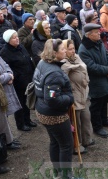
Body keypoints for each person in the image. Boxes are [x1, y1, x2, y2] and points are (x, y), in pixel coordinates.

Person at [33, 39, 74, 179]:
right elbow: (52, 99)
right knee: (66, 145)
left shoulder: (42, 62)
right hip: (54, 116)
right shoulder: (54, 74)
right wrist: (69, 98)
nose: (65, 51)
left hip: (42, 110)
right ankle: (66, 176)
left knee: (55, 142)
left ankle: (58, 173)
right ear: (54, 53)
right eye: (62, 49)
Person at [78, 23, 108, 138]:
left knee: (105, 100)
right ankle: (97, 127)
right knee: (96, 105)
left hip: (105, 78)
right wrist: (107, 70)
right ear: (89, 35)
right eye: (96, 32)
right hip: (96, 81)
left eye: (98, 31)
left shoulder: (98, 42)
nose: (99, 33)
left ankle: (104, 120)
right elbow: (91, 66)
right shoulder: (83, 49)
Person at [61, 39, 94, 154]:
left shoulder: (77, 57)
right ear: (64, 50)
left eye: (73, 48)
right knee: (76, 122)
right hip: (74, 96)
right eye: (69, 49)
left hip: (83, 94)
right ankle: (77, 144)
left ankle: (86, 139)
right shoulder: (63, 63)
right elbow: (63, 75)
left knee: (86, 118)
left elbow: (83, 68)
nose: (73, 51)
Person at [0, 30, 36, 131]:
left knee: (27, 101)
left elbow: (28, 60)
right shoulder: (5, 52)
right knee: (20, 103)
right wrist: (16, 76)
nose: (17, 39)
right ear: (8, 40)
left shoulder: (21, 47)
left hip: (28, 79)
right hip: (17, 82)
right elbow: (5, 68)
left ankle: (27, 120)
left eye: (17, 37)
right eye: (14, 38)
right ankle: (21, 124)